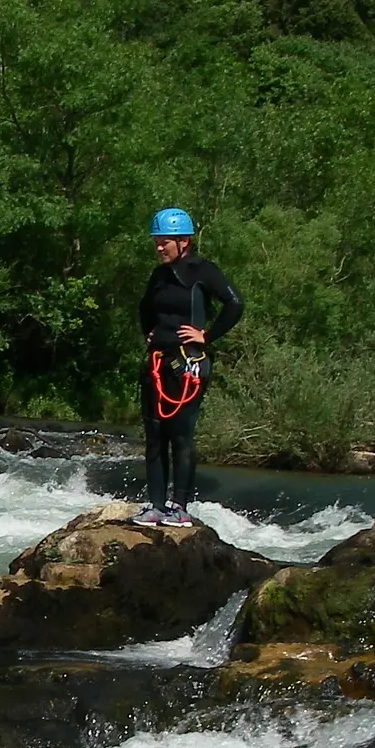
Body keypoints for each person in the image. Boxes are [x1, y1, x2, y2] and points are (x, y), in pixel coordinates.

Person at [132, 207, 244, 527]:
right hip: (157, 361)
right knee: (155, 434)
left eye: (163, 242)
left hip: (189, 363)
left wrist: (206, 335)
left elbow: (235, 304)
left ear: (183, 241)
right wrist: (149, 333)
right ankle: (155, 505)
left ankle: (179, 507)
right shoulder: (158, 275)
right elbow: (144, 309)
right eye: (155, 241)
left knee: (181, 435)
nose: (158, 248)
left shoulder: (201, 271)